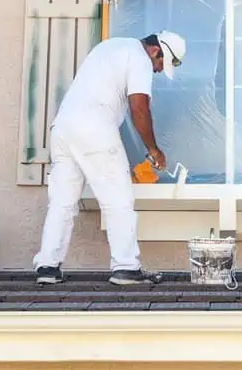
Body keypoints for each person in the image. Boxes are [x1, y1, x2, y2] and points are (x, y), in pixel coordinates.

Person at [32, 30, 186, 285]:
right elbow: (139, 107)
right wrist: (153, 149)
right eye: (161, 64)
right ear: (156, 51)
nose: (158, 71)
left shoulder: (111, 46)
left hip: (63, 128)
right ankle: (126, 267)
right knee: (118, 199)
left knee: (62, 202)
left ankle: (47, 267)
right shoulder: (140, 59)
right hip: (94, 128)